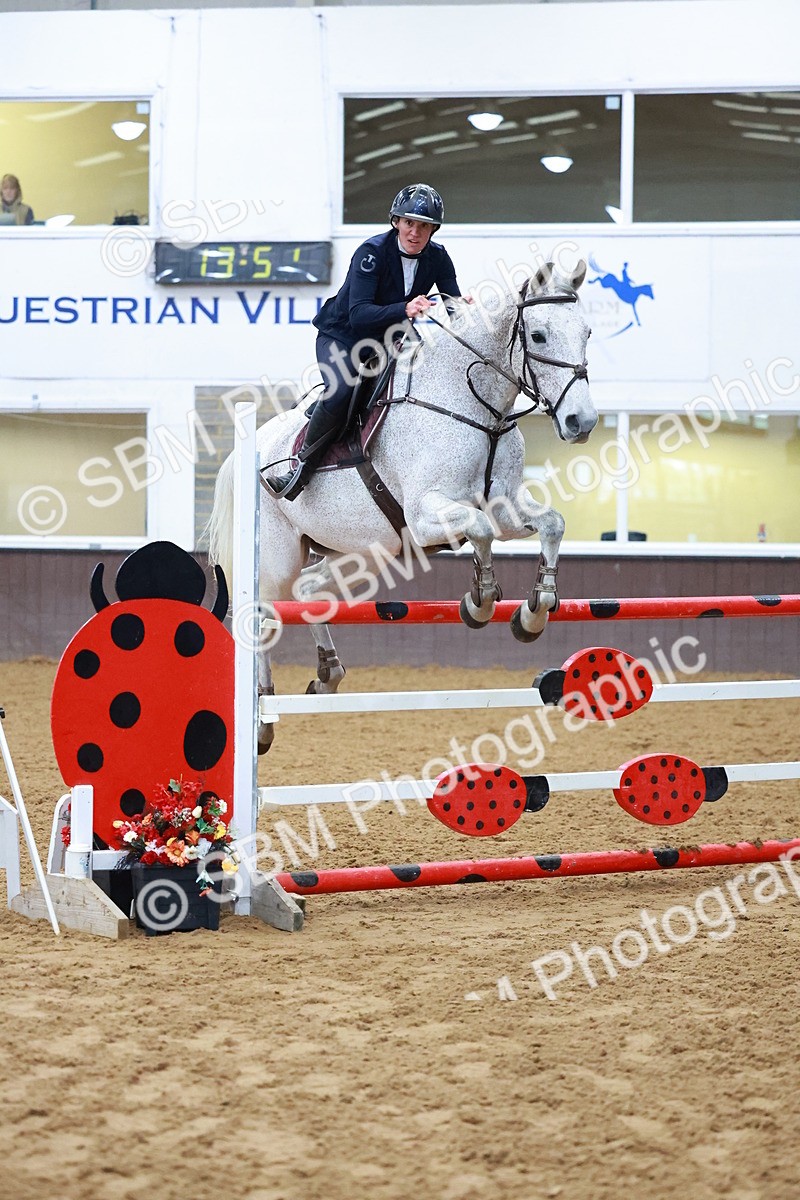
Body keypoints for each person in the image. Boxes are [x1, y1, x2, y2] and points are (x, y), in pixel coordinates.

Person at [265, 182, 470, 500]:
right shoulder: (371, 253)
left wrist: (468, 309)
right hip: (343, 335)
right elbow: (359, 314)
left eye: (424, 226)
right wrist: (406, 307)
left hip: (389, 337)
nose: (415, 233)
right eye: (409, 223)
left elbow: (453, 305)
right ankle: (299, 472)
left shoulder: (439, 257)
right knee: (343, 390)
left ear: (433, 230)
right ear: (396, 222)